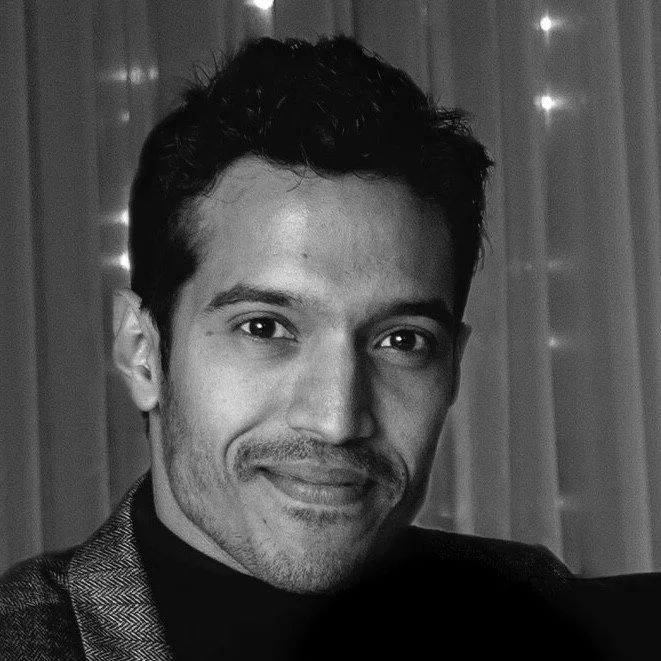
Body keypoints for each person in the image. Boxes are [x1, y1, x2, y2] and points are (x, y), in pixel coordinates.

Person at [0, 36, 602, 659]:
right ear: (142, 352)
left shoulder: (543, 612)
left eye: (401, 340)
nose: (336, 420)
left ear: (452, 368)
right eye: (264, 328)